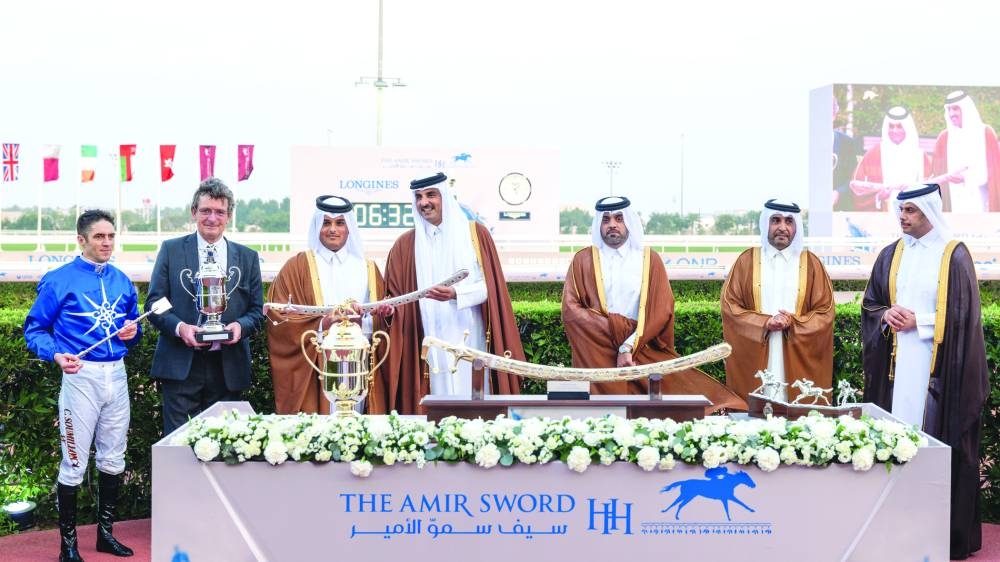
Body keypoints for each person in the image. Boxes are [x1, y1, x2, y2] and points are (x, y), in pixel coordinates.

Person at [861, 184, 988, 560]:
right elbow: (871, 303)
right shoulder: (890, 254)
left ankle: (940, 533)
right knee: (895, 437)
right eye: (901, 210)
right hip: (895, 370)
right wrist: (886, 315)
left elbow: (965, 316)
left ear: (930, 212)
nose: (903, 217)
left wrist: (923, 321)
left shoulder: (954, 256)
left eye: (911, 211)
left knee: (933, 442)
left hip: (939, 373)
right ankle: (893, 527)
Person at [23, 210, 140, 561]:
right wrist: (57, 355)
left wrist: (133, 333)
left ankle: (105, 535)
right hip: (80, 376)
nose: (106, 242)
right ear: (82, 239)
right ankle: (68, 546)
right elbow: (34, 331)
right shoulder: (58, 280)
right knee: (74, 462)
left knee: (113, 458)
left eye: (111, 236)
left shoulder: (122, 281)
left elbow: (133, 334)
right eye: (99, 237)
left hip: (116, 375)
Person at [562, 196, 745, 412]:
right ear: (599, 225)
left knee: (664, 409)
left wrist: (628, 345)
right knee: (602, 415)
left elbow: (661, 310)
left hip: (642, 348)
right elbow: (571, 310)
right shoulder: (583, 260)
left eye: (619, 218)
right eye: (606, 219)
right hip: (597, 352)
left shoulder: (649, 259)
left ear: (629, 221)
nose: (612, 224)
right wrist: (613, 330)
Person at [377, 172, 522, 414]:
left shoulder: (475, 234)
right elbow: (395, 299)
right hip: (427, 339)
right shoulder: (405, 245)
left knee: (472, 396)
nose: (424, 202)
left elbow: (489, 289)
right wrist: (390, 310)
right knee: (435, 399)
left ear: (445, 196)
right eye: (419, 197)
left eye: (431, 195)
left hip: (469, 333)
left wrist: (455, 294)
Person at [146, 177, 264, 434]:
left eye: (220, 212)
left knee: (225, 450)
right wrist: (180, 328)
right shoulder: (171, 250)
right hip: (180, 365)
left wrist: (239, 327)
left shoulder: (248, 257)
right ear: (194, 213)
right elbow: (155, 303)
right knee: (177, 448)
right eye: (206, 211)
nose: (212, 218)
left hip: (228, 367)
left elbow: (256, 312)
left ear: (229, 216)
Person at [265, 195, 392, 414]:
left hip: (357, 365)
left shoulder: (367, 268)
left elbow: (380, 323)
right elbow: (278, 317)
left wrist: (376, 317)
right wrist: (323, 324)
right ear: (317, 226)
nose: (332, 229)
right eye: (326, 223)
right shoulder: (297, 266)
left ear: (349, 227)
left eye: (339, 223)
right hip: (316, 366)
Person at [721, 199, 835, 402]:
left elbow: (825, 312)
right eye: (776, 220)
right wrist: (764, 322)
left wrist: (795, 322)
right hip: (757, 353)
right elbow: (730, 306)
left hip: (796, 355)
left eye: (789, 221)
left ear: (796, 227)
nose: (782, 227)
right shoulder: (746, 261)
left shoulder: (811, 264)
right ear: (766, 223)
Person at [850, 106, 933, 211]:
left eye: (899, 126)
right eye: (891, 126)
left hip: (914, 218)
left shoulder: (920, 156)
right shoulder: (873, 155)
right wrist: (878, 197)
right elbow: (858, 190)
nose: (894, 131)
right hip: (882, 218)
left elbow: (931, 191)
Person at [931, 90, 1000, 212]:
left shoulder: (985, 133)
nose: (952, 114)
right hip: (952, 203)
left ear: (966, 109)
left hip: (979, 201)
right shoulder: (944, 137)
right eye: (949, 109)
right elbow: (936, 174)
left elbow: (994, 173)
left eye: (956, 109)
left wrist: (966, 178)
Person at [832, 96, 865, 211]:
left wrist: (838, 193)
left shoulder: (848, 143)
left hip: (839, 209)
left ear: (834, 115)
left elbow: (853, 178)